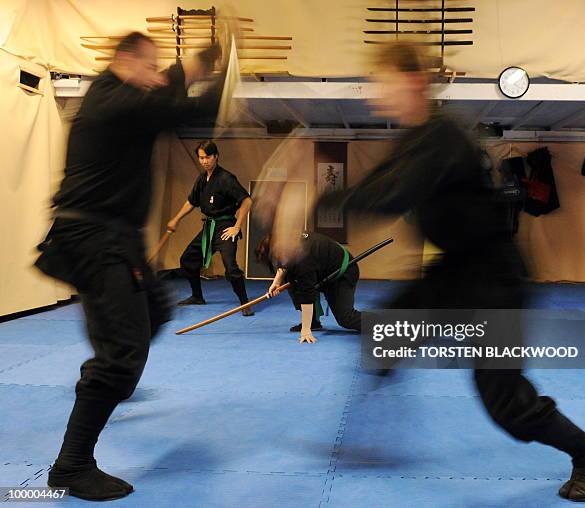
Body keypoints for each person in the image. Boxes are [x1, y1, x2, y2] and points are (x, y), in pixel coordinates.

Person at [318, 42, 585, 502]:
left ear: (412, 81)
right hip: (455, 268)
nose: (375, 94)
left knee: (502, 399)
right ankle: (379, 420)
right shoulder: (412, 139)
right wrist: (313, 204)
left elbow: (389, 196)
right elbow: (375, 186)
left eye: (383, 82)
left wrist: (317, 203)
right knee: (387, 329)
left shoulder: (443, 138)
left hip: (495, 279)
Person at [34, 31, 230, 500]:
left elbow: (172, 80)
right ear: (126, 62)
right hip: (94, 240)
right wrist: (227, 81)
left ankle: (111, 367)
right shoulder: (120, 104)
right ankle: (71, 467)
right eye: (150, 67)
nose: (157, 77)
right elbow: (192, 109)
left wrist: (211, 53)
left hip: (113, 239)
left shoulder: (118, 91)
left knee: (156, 312)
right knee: (122, 355)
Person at [167, 140, 254, 315]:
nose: (204, 161)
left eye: (207, 157)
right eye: (201, 158)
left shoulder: (226, 178)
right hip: (209, 227)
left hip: (225, 226)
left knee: (230, 266)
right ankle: (197, 296)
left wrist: (237, 227)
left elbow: (247, 200)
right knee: (187, 260)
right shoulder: (201, 179)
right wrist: (176, 219)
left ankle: (245, 304)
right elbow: (191, 202)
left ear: (216, 156)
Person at [259, 231, 361, 343]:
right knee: (292, 278)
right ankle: (313, 322)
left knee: (346, 319)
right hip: (322, 267)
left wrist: (306, 331)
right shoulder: (288, 241)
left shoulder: (303, 260)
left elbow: (307, 294)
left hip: (343, 272)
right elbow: (284, 262)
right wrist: (276, 282)